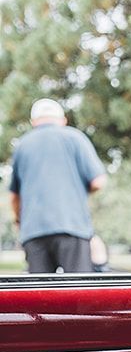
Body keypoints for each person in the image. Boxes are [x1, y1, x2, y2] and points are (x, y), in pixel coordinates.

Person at [9, 97, 106, 274]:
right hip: (72, 225)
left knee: (40, 294)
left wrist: (18, 219)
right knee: (78, 291)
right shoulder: (75, 138)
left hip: (34, 229)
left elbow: (14, 196)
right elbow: (98, 181)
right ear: (63, 120)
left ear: (33, 122)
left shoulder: (22, 145)